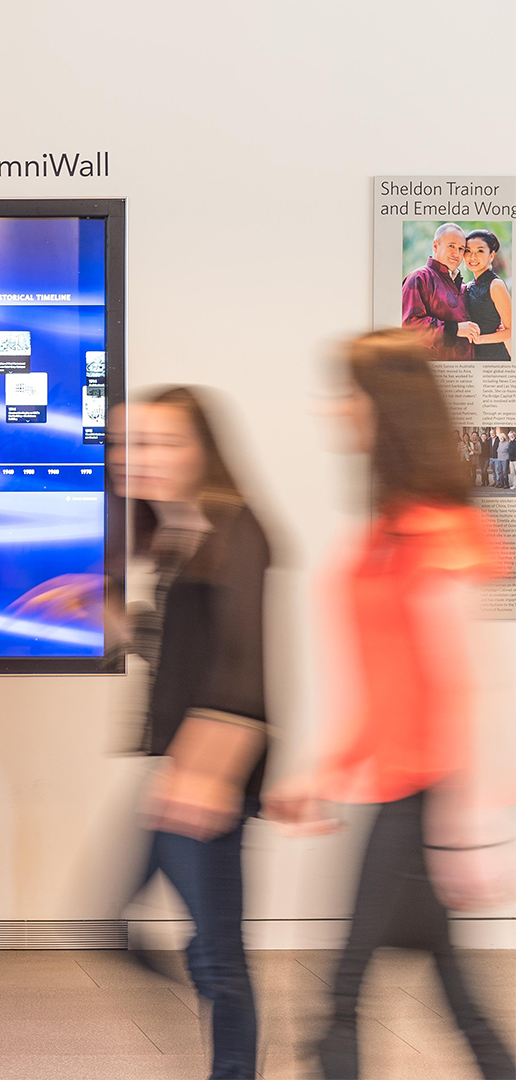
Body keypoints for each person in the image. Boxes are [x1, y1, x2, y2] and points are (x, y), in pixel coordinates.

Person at [266, 330, 516, 1080]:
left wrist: (467, 832)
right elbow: (387, 684)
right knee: (453, 995)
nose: (335, 408)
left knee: (341, 999)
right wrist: (329, 768)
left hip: (426, 802)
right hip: (399, 791)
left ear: (385, 408)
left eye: (348, 393)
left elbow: (463, 686)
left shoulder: (437, 533)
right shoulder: (389, 530)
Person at [121, 388, 271, 1079]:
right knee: (122, 923)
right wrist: (109, 619)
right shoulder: (179, 534)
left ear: (202, 450)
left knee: (216, 951)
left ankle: (234, 1064)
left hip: (212, 775)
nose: (135, 460)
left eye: (159, 443)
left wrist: (208, 772)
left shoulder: (235, 528)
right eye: (128, 445)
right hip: (182, 768)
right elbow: (179, 652)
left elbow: (242, 668)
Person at [402, 224, 478, 361]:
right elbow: (410, 327)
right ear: (436, 246)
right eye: (451, 246)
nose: (457, 253)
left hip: (465, 374)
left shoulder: (462, 287)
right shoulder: (419, 278)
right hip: (434, 375)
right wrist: (454, 329)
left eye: (461, 249)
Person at [464, 230, 512, 361]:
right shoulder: (467, 286)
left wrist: (479, 339)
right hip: (471, 357)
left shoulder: (495, 285)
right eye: (468, 251)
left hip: (494, 358)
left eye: (480, 251)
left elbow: (511, 329)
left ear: (491, 256)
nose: (473, 257)